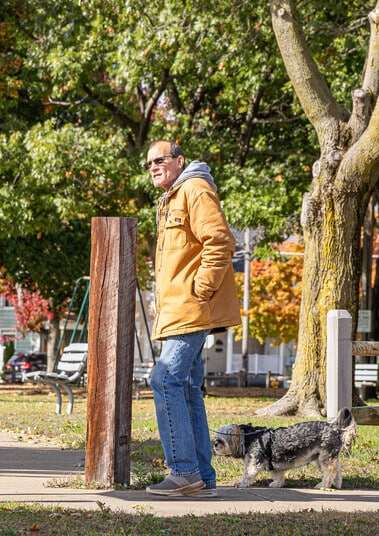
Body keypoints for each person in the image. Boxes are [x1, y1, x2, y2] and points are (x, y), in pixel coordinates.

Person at [144, 140, 241, 497]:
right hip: (178, 311)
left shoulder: (195, 188)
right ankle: (202, 477)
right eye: (149, 164)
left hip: (191, 308)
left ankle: (184, 471)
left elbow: (220, 241)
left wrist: (202, 288)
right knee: (185, 388)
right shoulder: (171, 198)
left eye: (160, 160)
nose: (153, 167)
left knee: (164, 378)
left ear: (179, 160)